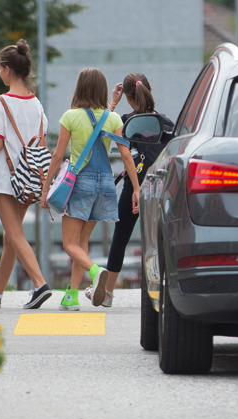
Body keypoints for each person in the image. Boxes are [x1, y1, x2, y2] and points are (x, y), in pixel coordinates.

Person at [39, 68, 140, 311]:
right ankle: (71, 296)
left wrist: (45, 189)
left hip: (80, 184)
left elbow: (57, 156)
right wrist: (136, 189)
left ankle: (96, 272)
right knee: (81, 241)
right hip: (105, 185)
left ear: (80, 88)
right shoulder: (113, 118)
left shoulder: (70, 116)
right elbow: (126, 155)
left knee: (69, 244)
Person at [85, 73, 173, 308]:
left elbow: (97, 130)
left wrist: (111, 104)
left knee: (120, 239)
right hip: (159, 185)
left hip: (134, 187)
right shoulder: (166, 124)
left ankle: (108, 294)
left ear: (128, 97)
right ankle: (168, 289)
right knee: (161, 240)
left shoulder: (124, 121)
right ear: (149, 90)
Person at [0, 39, 52, 310]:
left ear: (7, 69)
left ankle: (39, 284)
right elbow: (42, 143)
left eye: (0, 68)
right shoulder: (37, 105)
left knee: (14, 234)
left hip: (5, 178)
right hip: (30, 178)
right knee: (10, 235)